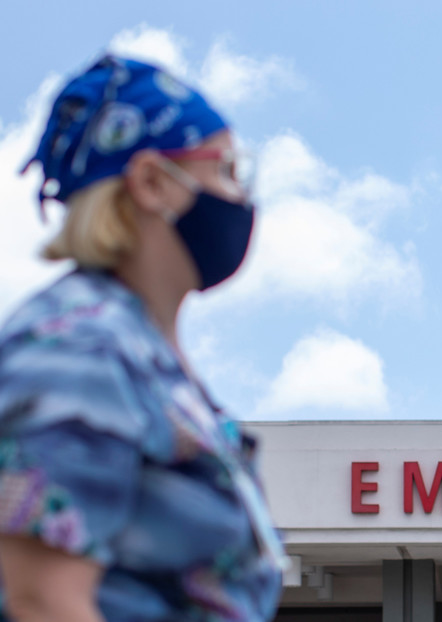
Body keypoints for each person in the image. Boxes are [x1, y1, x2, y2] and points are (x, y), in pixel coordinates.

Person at [0, 55, 284, 621]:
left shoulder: (151, 358)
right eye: (226, 170)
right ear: (153, 183)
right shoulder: (79, 347)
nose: (239, 197)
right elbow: (43, 603)